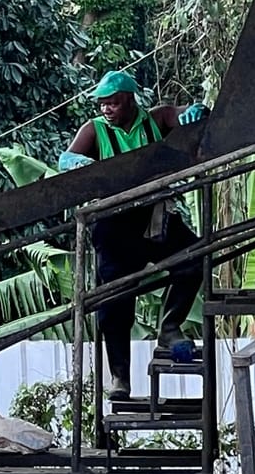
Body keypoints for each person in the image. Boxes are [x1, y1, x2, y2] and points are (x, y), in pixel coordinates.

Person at [61, 70, 203, 402]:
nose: (106, 109)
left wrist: (195, 111)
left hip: (152, 217)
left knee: (193, 257)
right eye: (102, 104)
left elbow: (183, 114)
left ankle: (169, 328)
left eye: (113, 103)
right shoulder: (94, 131)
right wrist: (76, 162)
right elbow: (66, 156)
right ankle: (119, 377)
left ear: (129, 100)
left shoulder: (157, 118)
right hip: (113, 224)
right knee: (115, 300)